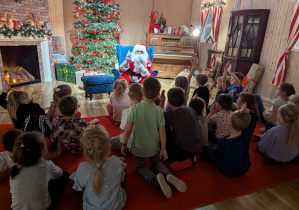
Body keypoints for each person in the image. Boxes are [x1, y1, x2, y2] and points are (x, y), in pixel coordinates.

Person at [121, 78, 187, 198]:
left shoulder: (135, 109)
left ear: (142, 91)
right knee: (156, 162)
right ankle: (168, 175)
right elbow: (162, 132)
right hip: (154, 147)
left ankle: (155, 180)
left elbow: (128, 129)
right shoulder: (159, 111)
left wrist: (124, 144)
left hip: (139, 147)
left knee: (141, 167)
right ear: (157, 95)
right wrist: (163, 149)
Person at [71, 125, 127, 209]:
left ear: (85, 150)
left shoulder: (82, 168)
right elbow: (122, 178)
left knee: (70, 185)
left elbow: (79, 188)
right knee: (124, 172)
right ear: (108, 146)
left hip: (91, 208)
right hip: (116, 206)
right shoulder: (116, 162)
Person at [10, 132, 69, 210]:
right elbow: (60, 174)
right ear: (42, 151)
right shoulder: (46, 165)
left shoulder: (14, 167)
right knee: (65, 176)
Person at [201, 103, 256, 176]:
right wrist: (247, 111)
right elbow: (253, 118)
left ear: (230, 123)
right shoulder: (247, 135)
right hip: (244, 168)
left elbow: (216, 153)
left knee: (207, 147)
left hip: (227, 169)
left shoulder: (223, 141)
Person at [162, 87, 203, 172]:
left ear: (169, 102)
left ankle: (190, 160)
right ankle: (193, 156)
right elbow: (200, 126)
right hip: (197, 146)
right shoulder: (191, 109)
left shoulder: (170, 115)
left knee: (163, 156)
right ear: (184, 99)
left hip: (185, 149)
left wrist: (162, 102)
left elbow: (160, 114)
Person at [110, 83, 143, 156]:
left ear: (128, 95)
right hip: (142, 144)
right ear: (143, 96)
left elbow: (122, 130)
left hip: (127, 144)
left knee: (109, 141)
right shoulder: (148, 110)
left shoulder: (126, 112)